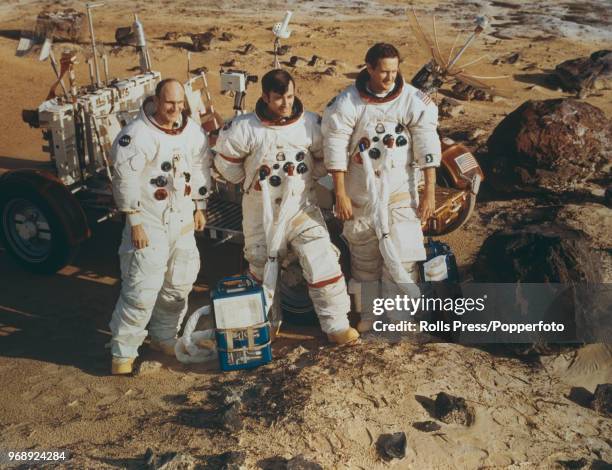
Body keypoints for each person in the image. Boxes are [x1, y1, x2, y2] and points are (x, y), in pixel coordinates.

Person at [213, 69, 358, 345]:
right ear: (266, 97)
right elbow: (227, 166)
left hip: (300, 208)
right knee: (260, 268)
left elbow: (322, 160)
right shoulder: (244, 128)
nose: (286, 103)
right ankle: (266, 325)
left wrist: (300, 182)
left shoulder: (310, 124)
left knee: (322, 259)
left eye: (290, 96)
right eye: (279, 98)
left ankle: (337, 325)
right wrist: (256, 184)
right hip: (260, 211)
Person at [321, 43, 441, 332]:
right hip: (360, 193)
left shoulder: (412, 100)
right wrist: (340, 193)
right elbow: (335, 146)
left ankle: (399, 320)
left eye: (394, 70)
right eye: (384, 71)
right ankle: (371, 318)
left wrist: (429, 194)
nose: (390, 77)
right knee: (365, 261)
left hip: (400, 190)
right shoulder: (347, 103)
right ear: (369, 68)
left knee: (403, 257)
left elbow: (427, 145)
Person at [109, 78, 212, 374]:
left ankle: (164, 336)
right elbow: (124, 180)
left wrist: (199, 206)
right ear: (155, 100)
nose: (175, 109)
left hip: (180, 217)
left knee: (179, 283)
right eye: (170, 103)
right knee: (142, 287)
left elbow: (200, 168)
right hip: (149, 220)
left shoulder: (191, 131)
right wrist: (135, 223)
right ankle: (123, 352)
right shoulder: (136, 135)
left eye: (180, 104)